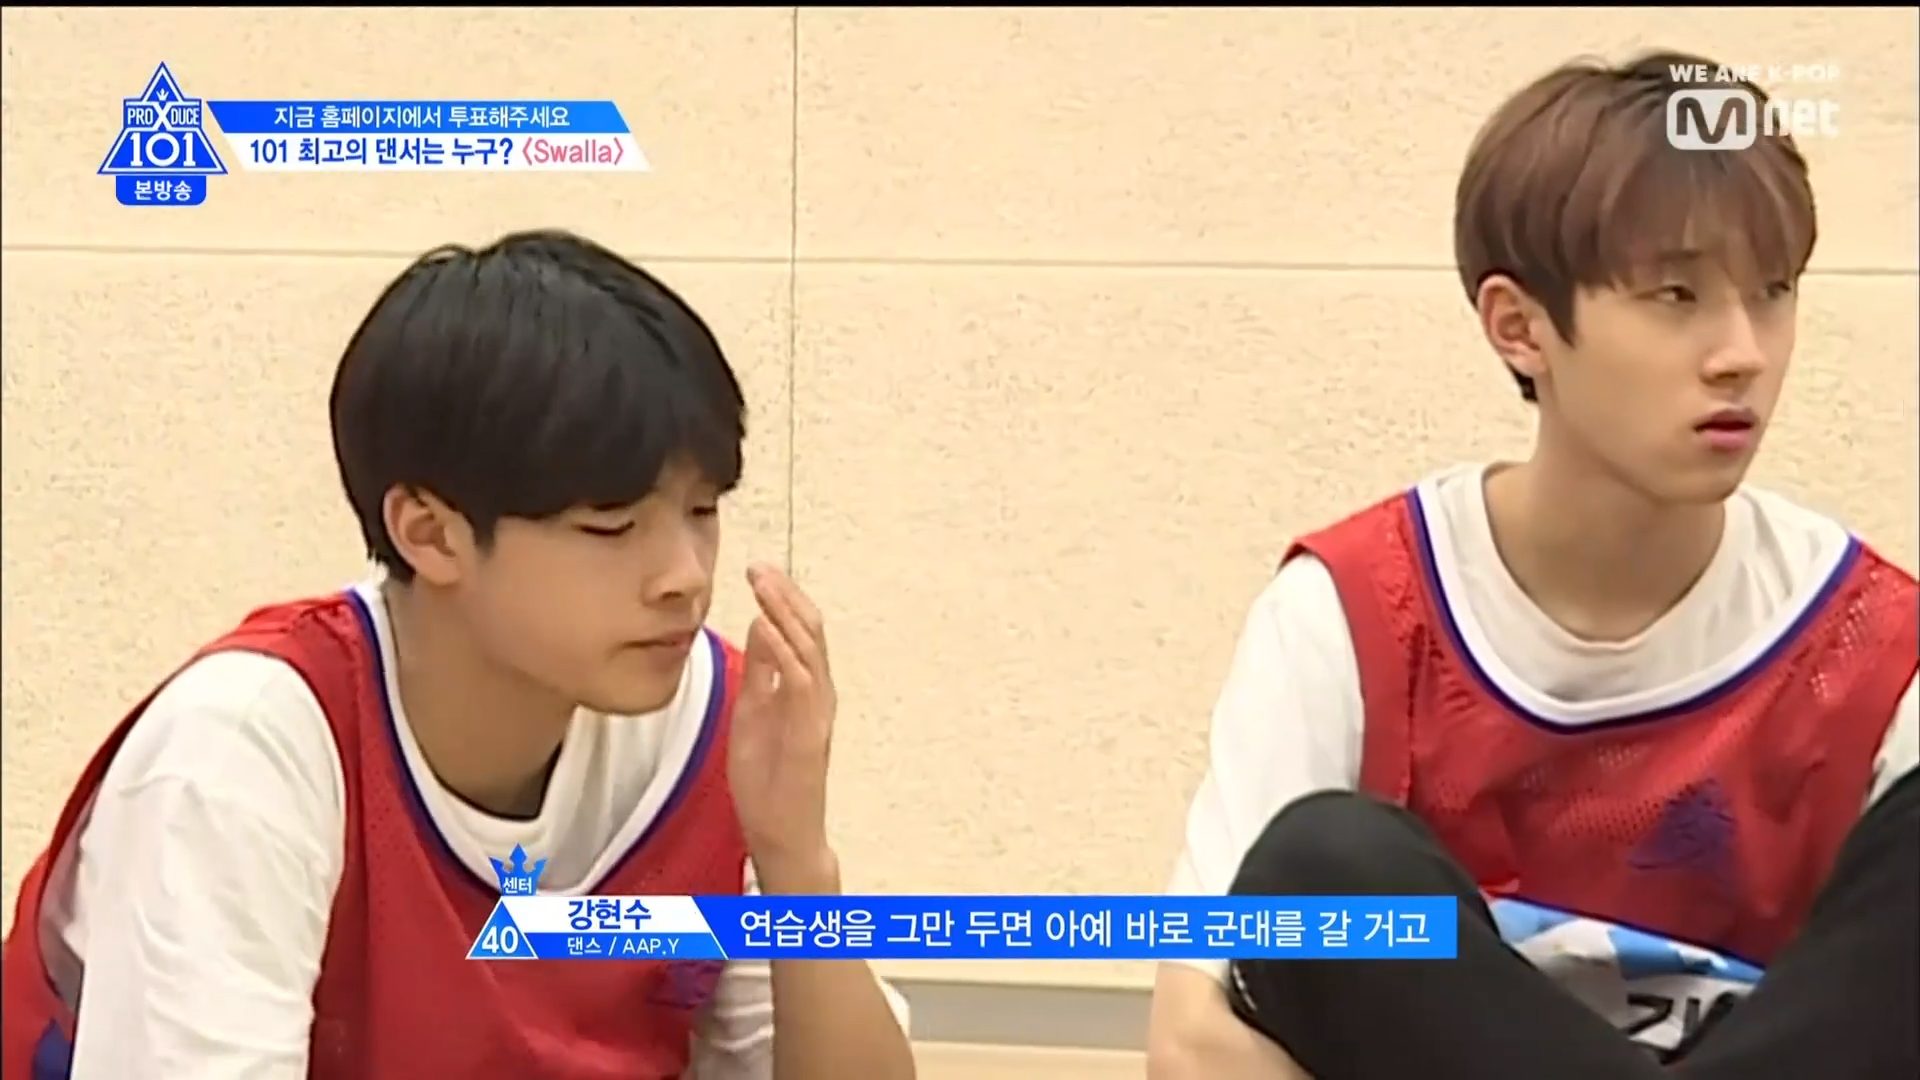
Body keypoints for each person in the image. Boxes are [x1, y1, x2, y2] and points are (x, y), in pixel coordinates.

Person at [1146, 51, 1919, 1080]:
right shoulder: (1355, 611)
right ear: (1520, 329)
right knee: (1324, 868)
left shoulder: (1875, 646)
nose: (1743, 351)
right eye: (1676, 294)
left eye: (1772, 291)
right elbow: (1193, 1042)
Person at [0, 230, 918, 1080]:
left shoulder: (711, 722)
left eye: (703, 511)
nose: (686, 575)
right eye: (612, 526)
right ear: (430, 533)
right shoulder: (244, 751)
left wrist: (797, 861)